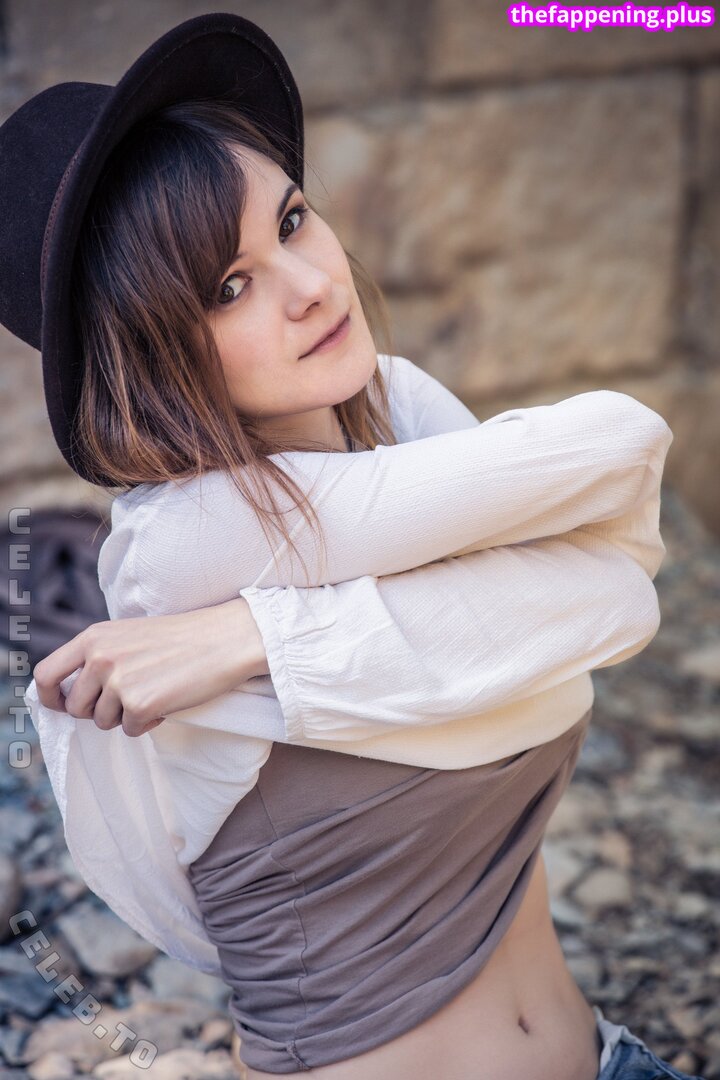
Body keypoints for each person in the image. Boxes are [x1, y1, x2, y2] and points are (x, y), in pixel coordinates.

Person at [0, 13, 703, 1080]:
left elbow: (616, 563)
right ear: (147, 360)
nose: (313, 285)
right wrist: (297, 629)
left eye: (291, 220)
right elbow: (606, 529)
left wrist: (262, 636)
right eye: (228, 288)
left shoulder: (394, 411)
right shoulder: (186, 540)